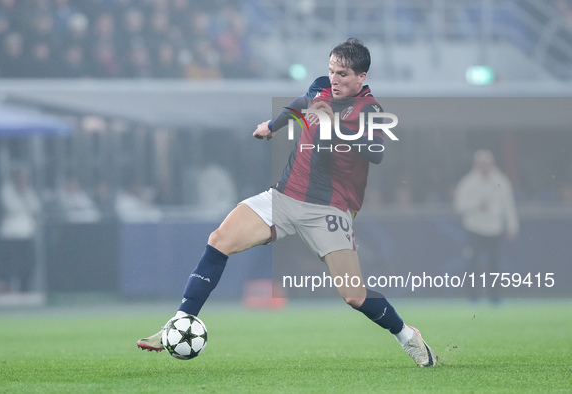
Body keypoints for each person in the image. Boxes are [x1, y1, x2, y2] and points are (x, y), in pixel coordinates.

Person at [137, 38, 437, 367]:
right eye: (332, 71)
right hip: (283, 197)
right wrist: (272, 125)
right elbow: (300, 102)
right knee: (219, 240)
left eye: (344, 74)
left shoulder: (370, 111)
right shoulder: (323, 88)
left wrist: (336, 130)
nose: (334, 79)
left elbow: (377, 153)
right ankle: (180, 322)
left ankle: (406, 335)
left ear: (362, 77)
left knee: (354, 296)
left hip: (328, 209)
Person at [454, 149, 519, 300]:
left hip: (494, 229)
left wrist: (512, 226)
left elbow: (509, 205)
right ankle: (473, 297)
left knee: (494, 265)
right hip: (474, 228)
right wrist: (477, 205)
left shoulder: (501, 181)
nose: (484, 166)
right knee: (473, 264)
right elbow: (459, 205)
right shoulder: (468, 182)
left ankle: (495, 297)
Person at [0, 167, 41, 293]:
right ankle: (7, 288)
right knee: (10, 265)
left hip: (26, 235)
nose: (23, 180)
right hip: (10, 235)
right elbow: (13, 208)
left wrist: (25, 193)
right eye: (20, 177)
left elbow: (36, 208)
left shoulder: (28, 191)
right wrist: (27, 210)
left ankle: (25, 288)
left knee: (28, 264)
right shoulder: (6, 191)